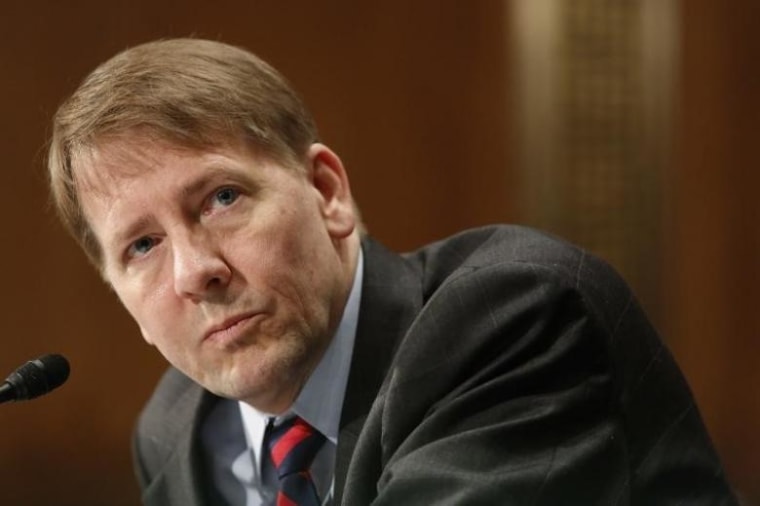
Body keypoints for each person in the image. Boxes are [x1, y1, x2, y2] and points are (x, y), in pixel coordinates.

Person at [48, 38, 737, 506]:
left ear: (327, 193)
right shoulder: (176, 433)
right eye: (142, 247)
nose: (196, 271)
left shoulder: (512, 320)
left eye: (222, 199)